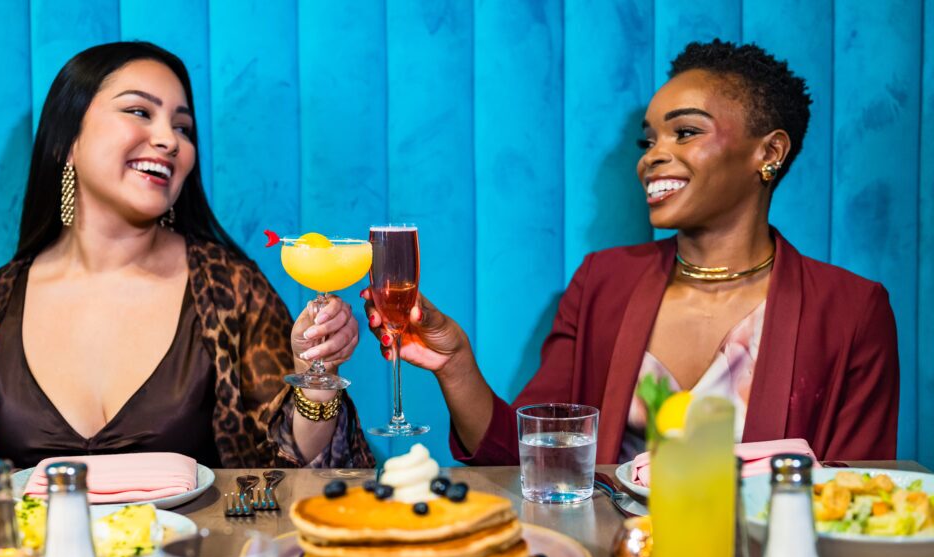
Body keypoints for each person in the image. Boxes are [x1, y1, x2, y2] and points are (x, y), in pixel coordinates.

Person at [364, 39, 899, 465]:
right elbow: (527, 460)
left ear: (770, 153)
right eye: (648, 142)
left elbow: (860, 499)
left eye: (685, 132)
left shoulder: (851, 310)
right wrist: (456, 365)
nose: (652, 158)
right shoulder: (603, 282)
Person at [0, 42, 372, 470]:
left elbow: (298, 473)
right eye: (139, 111)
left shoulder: (233, 291)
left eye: (183, 128)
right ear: (68, 141)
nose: (170, 140)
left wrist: (317, 381)